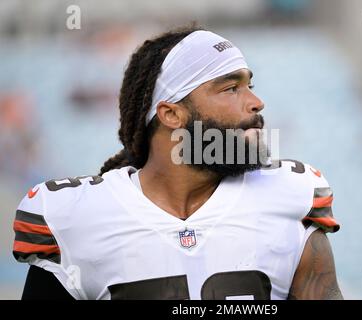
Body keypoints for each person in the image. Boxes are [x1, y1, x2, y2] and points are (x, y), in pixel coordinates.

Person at [12, 26, 342, 300]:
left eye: (249, 86)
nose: (256, 102)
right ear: (171, 114)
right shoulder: (75, 219)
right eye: (231, 88)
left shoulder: (290, 198)